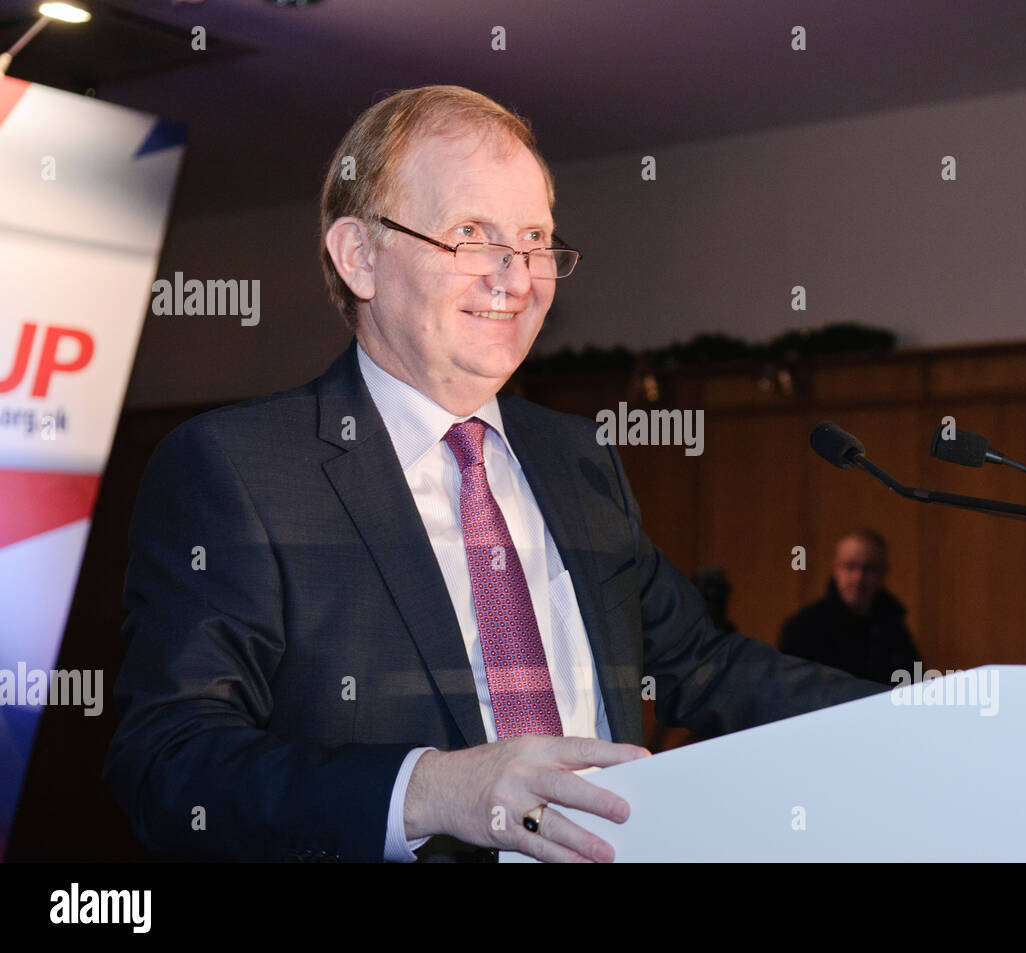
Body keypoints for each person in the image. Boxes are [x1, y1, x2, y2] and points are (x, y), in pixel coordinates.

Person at [104, 85, 885, 864]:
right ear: (361, 256)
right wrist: (433, 789)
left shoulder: (578, 458)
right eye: (471, 235)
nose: (515, 276)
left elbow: (704, 667)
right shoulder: (240, 469)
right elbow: (170, 765)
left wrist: (925, 715)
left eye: (536, 238)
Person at [779, 529, 921, 685]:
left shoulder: (892, 627)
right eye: (849, 566)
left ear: (883, 573)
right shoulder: (804, 628)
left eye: (869, 569)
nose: (858, 578)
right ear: (835, 568)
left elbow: (914, 686)